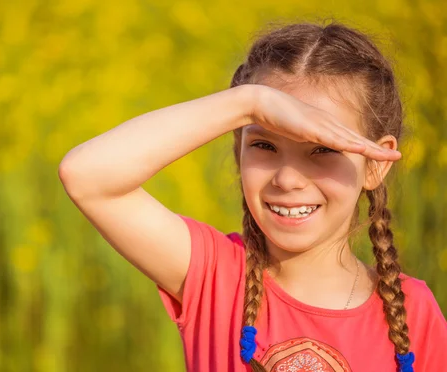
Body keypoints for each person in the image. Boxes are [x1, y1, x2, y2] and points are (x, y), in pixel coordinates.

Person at [58, 21, 447, 371]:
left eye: (323, 149)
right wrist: (249, 103)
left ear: (376, 164)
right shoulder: (213, 274)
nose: (288, 178)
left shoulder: (414, 313)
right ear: (238, 149)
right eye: (264, 145)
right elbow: (87, 175)